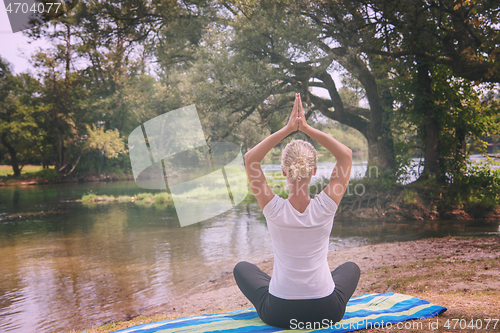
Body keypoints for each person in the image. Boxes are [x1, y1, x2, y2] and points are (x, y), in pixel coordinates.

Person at [233, 93, 360, 329]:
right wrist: (307, 128)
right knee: (351, 268)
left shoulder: (273, 209)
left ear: (283, 171)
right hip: (327, 311)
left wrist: (288, 129)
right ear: (314, 172)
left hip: (280, 312)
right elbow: (345, 155)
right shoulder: (326, 206)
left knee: (242, 268)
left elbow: (251, 159)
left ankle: (287, 287)